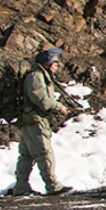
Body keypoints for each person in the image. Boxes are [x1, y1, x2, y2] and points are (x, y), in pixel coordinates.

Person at [12, 48, 73, 196]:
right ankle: (53, 186)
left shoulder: (36, 75)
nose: (56, 67)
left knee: (26, 156)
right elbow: (42, 100)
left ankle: (21, 187)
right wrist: (59, 107)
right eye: (55, 64)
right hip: (36, 122)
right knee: (44, 153)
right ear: (48, 62)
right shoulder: (37, 76)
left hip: (29, 121)